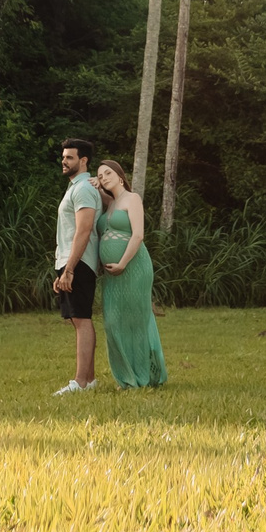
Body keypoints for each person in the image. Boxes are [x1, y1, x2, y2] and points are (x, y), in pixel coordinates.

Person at [92, 158, 166, 388]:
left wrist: (123, 263)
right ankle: (126, 377)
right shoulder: (110, 203)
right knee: (113, 322)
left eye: (107, 173)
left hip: (134, 268)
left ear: (120, 175)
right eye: (100, 175)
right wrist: (94, 182)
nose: (103, 177)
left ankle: (144, 375)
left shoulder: (132, 199)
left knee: (136, 321)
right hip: (111, 276)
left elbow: (138, 235)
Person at [50, 138, 101, 395]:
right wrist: (62, 268)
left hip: (79, 261)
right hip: (70, 261)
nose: (64, 161)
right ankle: (89, 380)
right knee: (76, 319)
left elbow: (84, 229)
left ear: (83, 161)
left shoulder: (83, 189)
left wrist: (70, 268)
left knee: (81, 319)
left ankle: (80, 382)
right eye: (63, 156)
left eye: (69, 157)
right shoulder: (75, 187)